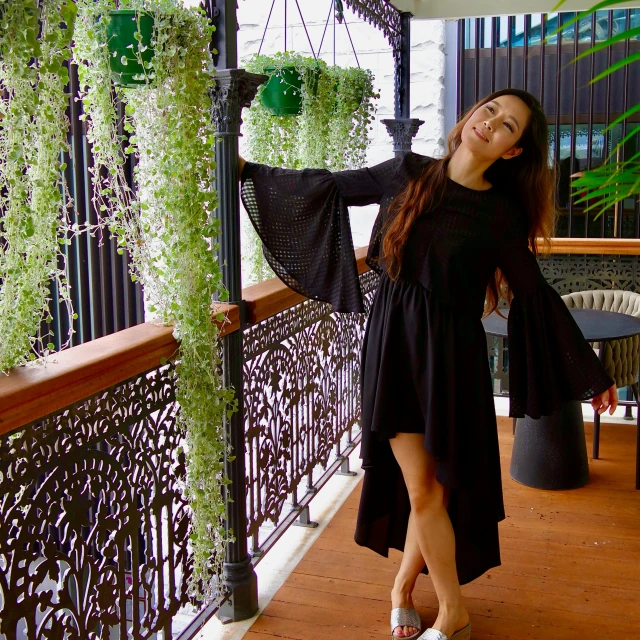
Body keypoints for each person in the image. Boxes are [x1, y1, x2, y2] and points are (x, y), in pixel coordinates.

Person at [237, 88, 619, 640]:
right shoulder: (406, 172)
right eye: (490, 110)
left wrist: (592, 372)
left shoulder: (501, 214)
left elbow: (534, 295)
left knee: (433, 490)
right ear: (470, 116)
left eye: (508, 126)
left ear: (513, 152)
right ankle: (452, 610)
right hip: (393, 347)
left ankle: (403, 590)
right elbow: (327, 187)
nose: (492, 123)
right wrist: (246, 169)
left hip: (453, 361)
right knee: (421, 487)